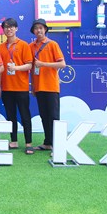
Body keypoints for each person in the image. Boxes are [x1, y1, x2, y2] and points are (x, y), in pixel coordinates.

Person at [0, 18, 34, 154]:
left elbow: (29, 65)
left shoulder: (24, 45)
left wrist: (15, 68)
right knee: (10, 116)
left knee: (25, 116)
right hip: (7, 88)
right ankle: (14, 141)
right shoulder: (1, 47)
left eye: (11, 27)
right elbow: (0, 68)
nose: (9, 29)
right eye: (6, 27)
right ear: (3, 30)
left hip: (21, 87)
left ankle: (29, 143)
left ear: (16, 28)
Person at [29, 19, 66, 151]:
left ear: (45, 29)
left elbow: (62, 64)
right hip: (39, 87)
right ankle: (48, 142)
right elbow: (32, 69)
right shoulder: (31, 46)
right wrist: (33, 86)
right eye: (36, 28)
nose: (38, 30)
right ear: (33, 31)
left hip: (51, 86)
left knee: (54, 116)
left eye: (41, 28)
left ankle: (58, 146)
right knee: (44, 116)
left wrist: (43, 64)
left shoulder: (52, 44)